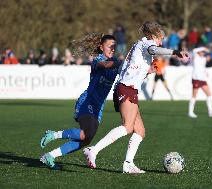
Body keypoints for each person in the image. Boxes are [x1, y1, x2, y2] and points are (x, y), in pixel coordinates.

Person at [83, 21, 188, 174]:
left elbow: (133, 68)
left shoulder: (141, 45)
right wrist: (175, 52)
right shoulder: (147, 43)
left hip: (129, 89)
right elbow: (154, 49)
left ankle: (128, 163)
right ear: (153, 36)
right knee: (127, 126)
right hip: (126, 88)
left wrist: (148, 70)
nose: (160, 42)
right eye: (160, 39)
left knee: (140, 131)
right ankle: (93, 150)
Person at [39, 34, 121, 169]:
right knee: (85, 134)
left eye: (114, 47)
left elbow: (129, 71)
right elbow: (105, 65)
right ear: (101, 47)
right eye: (109, 46)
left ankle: (50, 156)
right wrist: (119, 63)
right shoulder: (98, 59)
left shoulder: (116, 63)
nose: (112, 49)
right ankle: (53, 134)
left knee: (86, 140)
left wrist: (148, 70)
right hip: (87, 101)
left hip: (98, 107)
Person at [188, 47, 212, 118]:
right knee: (194, 95)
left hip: (202, 79)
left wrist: (205, 72)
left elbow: (202, 67)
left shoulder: (203, 59)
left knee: (209, 94)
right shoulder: (196, 56)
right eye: (202, 52)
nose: (203, 53)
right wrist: (204, 48)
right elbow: (194, 50)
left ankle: (210, 112)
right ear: (199, 52)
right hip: (196, 79)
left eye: (203, 52)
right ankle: (190, 112)